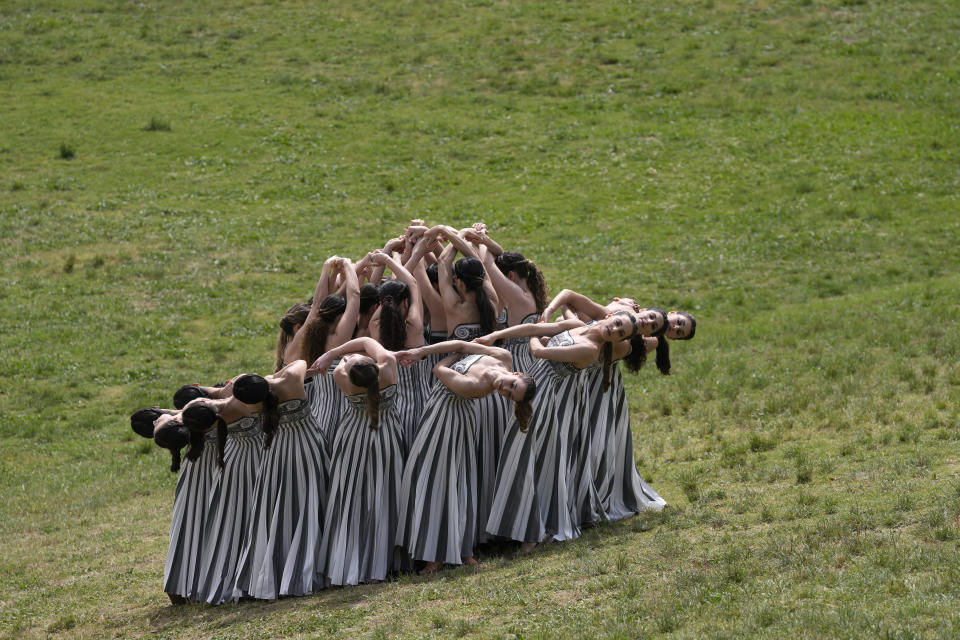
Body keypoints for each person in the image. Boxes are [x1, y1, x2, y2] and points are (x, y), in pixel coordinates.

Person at [395, 340, 535, 574]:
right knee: (443, 479)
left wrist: (454, 355)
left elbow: (439, 370)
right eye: (511, 385)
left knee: (444, 481)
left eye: (508, 394)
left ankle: (440, 555)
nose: (504, 389)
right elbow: (461, 342)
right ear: (517, 373)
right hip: (438, 414)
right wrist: (421, 351)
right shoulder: (503, 356)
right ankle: (454, 550)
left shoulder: (477, 386)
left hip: (446, 420)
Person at [310, 338, 405, 585]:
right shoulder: (389, 364)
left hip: (353, 438)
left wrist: (334, 354)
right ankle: (383, 562)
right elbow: (366, 341)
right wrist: (347, 354)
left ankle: (349, 560)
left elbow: (355, 351)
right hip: (388, 435)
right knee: (385, 495)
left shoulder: (341, 376)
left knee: (351, 497)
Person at [233, 361, 330, 599]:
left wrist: (264, 379)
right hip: (306, 444)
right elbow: (299, 363)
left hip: (277, 449)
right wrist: (270, 376)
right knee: (311, 498)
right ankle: (314, 562)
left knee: (279, 504)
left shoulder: (254, 401)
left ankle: (279, 567)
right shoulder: (289, 383)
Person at [179, 385, 263, 605]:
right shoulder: (238, 399)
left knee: (232, 520)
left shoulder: (203, 411)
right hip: (253, 460)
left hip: (233, 463)